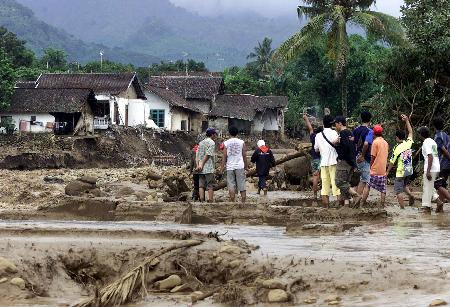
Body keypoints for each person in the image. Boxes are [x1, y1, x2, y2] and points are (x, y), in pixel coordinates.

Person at [386, 114, 415, 209]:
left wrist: (387, 172)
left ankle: (402, 209)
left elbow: (392, 162)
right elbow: (411, 132)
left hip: (400, 172)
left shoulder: (396, 148)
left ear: (397, 137)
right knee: (404, 185)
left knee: (398, 191)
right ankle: (411, 195)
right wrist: (407, 120)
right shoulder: (408, 143)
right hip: (409, 170)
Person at [314, 115, 340, 206]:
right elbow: (338, 144)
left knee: (324, 187)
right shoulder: (334, 133)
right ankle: (338, 206)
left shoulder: (318, 135)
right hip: (334, 162)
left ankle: (326, 207)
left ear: (323, 124)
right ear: (332, 123)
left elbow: (316, 149)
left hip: (323, 163)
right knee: (336, 185)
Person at [334, 116, 360, 205]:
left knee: (339, 182)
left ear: (340, 123)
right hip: (351, 162)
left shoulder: (343, 133)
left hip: (344, 162)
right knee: (346, 183)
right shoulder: (350, 133)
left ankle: (355, 195)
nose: (335, 126)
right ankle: (347, 205)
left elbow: (345, 148)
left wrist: (336, 145)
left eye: (336, 124)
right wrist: (354, 163)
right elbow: (352, 148)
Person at [362, 124, 389, 206]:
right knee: (383, 189)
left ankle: (362, 203)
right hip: (383, 170)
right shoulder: (385, 143)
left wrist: (370, 166)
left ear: (374, 133)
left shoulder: (375, 142)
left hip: (375, 169)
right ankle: (382, 205)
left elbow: (373, 157)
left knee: (367, 185)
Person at [221, 126, 248, 203]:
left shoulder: (226, 143)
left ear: (229, 133)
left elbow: (224, 156)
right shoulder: (241, 142)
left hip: (230, 167)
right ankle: (243, 202)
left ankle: (233, 202)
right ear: (237, 133)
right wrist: (246, 166)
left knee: (231, 184)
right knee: (242, 183)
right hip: (240, 166)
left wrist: (222, 167)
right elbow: (244, 155)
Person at [418, 126, 440, 213]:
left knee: (427, 187)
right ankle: (439, 202)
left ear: (421, 134)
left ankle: (426, 207)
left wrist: (428, 171)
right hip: (436, 166)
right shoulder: (432, 141)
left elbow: (430, 156)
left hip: (431, 167)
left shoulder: (426, 142)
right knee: (430, 187)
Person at [353, 111, 374, 195]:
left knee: (355, 179)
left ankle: (353, 199)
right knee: (364, 180)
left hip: (356, 157)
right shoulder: (370, 131)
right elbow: (366, 144)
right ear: (370, 120)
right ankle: (357, 201)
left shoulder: (356, 130)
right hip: (364, 158)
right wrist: (362, 155)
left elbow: (353, 143)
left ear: (361, 119)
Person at [303, 112, 323, 199]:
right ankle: (323, 195)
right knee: (324, 178)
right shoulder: (323, 137)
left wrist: (306, 118)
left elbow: (310, 128)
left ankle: (314, 195)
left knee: (315, 177)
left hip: (314, 159)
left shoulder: (313, 136)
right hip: (322, 159)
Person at [432, 117, 450, 213]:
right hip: (446, 164)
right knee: (442, 185)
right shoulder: (445, 135)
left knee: (437, 184)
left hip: (442, 164)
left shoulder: (438, 136)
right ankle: (440, 210)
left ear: (434, 126)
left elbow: (443, 150)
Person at [196, 128, 218, 202]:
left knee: (201, 185)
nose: (215, 135)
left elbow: (198, 155)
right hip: (208, 167)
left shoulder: (201, 142)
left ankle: (202, 200)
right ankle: (210, 200)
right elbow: (208, 154)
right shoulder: (212, 143)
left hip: (200, 168)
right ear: (212, 134)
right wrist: (202, 164)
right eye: (215, 134)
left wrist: (198, 165)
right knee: (210, 185)